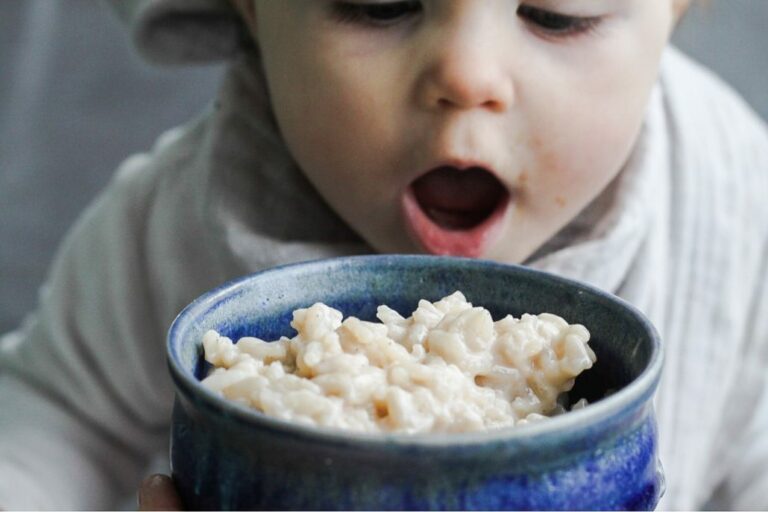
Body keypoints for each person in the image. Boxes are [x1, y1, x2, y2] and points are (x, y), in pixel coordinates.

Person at [1, 0, 766, 509]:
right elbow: (49, 419)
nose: (467, 76)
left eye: (557, 13)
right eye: (377, 2)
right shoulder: (176, 216)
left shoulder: (732, 198)